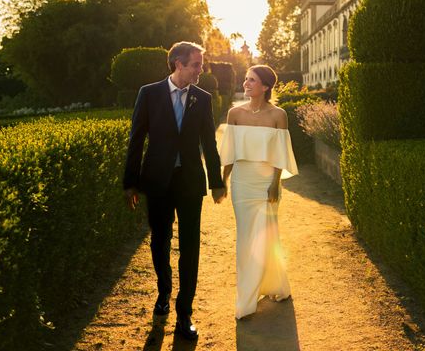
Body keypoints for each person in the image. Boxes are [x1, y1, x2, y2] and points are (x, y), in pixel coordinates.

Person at [123, 41, 226, 340]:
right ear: (178, 64)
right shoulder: (149, 93)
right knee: (159, 241)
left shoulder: (202, 98)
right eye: (196, 64)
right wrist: (130, 182)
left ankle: (185, 312)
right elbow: (136, 138)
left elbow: (209, 142)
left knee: (190, 246)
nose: (201, 69)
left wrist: (216, 181)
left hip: (190, 181)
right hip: (156, 180)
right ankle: (163, 290)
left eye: (201, 64)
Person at [219, 65, 298, 319]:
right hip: (242, 182)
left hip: (267, 182)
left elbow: (280, 153)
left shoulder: (278, 115)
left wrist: (276, 182)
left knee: (268, 236)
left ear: (265, 87)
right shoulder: (234, 114)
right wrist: (223, 180)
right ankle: (247, 299)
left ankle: (274, 284)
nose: (246, 83)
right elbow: (230, 152)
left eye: (251, 80)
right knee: (246, 239)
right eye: (245, 79)